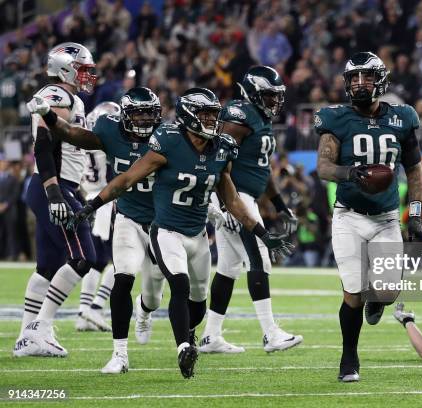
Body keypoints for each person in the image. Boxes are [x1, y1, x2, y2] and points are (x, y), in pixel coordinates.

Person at [69, 88, 293, 379]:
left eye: (214, 114)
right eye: (206, 114)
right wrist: (90, 206)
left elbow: (233, 200)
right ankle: (166, 350)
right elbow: (125, 180)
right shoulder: (168, 142)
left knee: (197, 302)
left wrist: (264, 235)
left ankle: (176, 328)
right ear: (189, 115)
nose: (213, 120)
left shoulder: (222, 147)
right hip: (164, 229)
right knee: (171, 284)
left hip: (198, 233)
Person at [25, 87, 166, 373]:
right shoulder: (107, 131)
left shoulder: (161, 137)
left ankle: (128, 311)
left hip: (131, 208)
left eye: (146, 115)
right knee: (106, 265)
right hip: (109, 202)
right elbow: (73, 138)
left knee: (146, 288)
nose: (141, 121)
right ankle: (97, 327)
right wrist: (49, 116)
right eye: (135, 115)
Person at [315, 51, 422, 382]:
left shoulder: (402, 117)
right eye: (354, 78)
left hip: (387, 218)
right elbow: (323, 166)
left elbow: (416, 172)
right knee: (352, 290)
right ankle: (349, 358)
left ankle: (376, 301)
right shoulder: (336, 118)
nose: (359, 84)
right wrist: (351, 173)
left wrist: (416, 214)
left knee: (388, 292)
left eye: (366, 76)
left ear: (380, 80)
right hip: (349, 216)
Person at [199, 65, 302, 354]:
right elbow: (217, 161)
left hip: (246, 197)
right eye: (269, 96)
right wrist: (223, 204)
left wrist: (280, 205)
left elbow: (262, 169)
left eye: (277, 96)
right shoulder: (239, 116)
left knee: (229, 268)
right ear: (254, 92)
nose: (275, 102)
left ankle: (210, 336)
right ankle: (271, 334)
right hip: (234, 199)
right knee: (260, 260)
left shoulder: (259, 120)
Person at [13, 42, 98, 357]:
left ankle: (25, 338)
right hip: (52, 185)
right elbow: (43, 145)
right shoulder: (57, 96)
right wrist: (54, 192)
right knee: (82, 257)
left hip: (62, 186)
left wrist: (78, 192)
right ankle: (41, 328)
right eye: (84, 68)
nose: (88, 75)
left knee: (47, 266)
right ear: (66, 67)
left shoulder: (71, 99)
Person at [75, 101, 120, 333]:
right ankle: (96, 306)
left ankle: (84, 312)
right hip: (105, 200)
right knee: (118, 259)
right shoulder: (106, 144)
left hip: (87, 199)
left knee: (95, 260)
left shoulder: (83, 142)